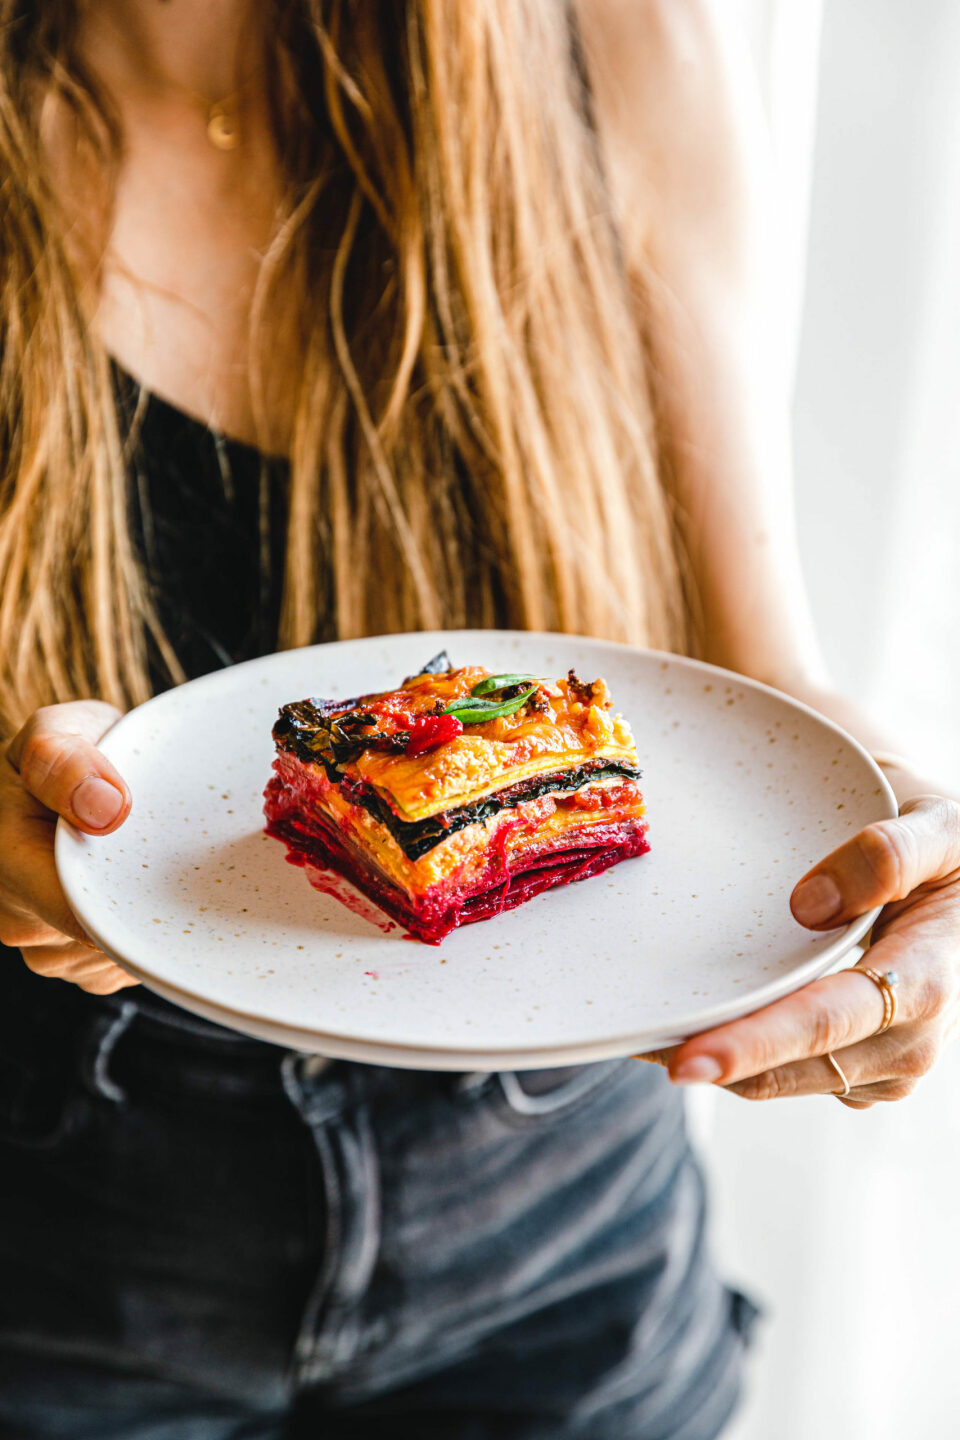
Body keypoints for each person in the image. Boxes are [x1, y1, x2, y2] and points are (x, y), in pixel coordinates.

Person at [1, 1, 957, 1436]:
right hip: (58, 1259)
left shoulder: (621, 39)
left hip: (570, 1253)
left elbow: (763, 684)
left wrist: (894, 855)